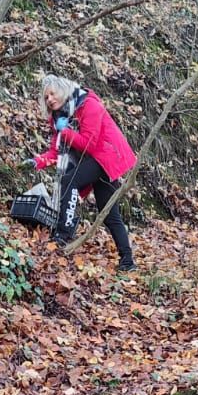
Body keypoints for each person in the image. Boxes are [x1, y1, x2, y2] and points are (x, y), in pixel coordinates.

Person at [27, 74, 137, 271]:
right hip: (94, 158)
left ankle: (64, 234)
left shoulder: (88, 105)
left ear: (63, 90)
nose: (50, 99)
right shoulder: (59, 117)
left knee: (71, 183)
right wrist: (37, 162)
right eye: (46, 97)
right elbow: (56, 151)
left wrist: (65, 132)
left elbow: (89, 144)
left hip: (108, 155)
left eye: (52, 94)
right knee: (106, 211)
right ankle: (127, 261)